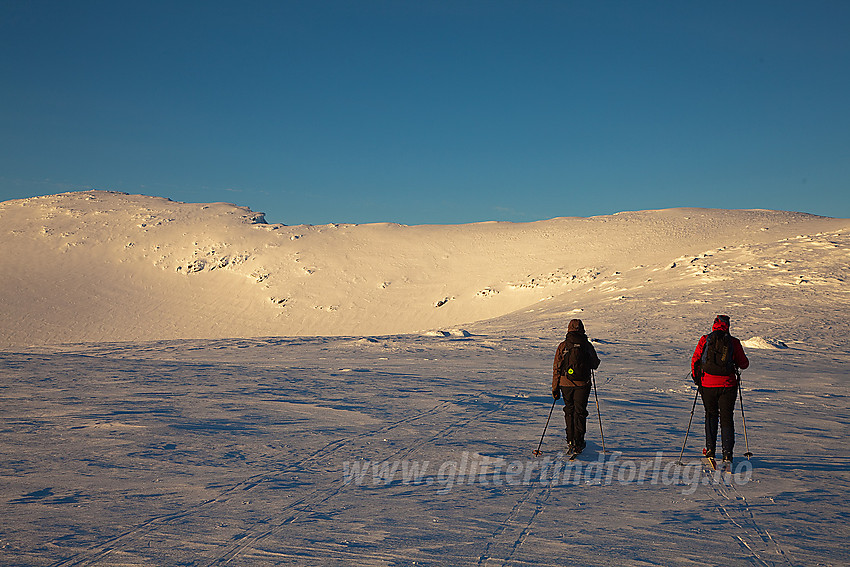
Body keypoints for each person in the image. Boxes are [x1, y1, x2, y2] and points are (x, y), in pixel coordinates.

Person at [691, 314, 749, 463]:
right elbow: (744, 364)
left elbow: (695, 359)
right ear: (728, 326)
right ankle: (727, 453)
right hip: (728, 385)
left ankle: (710, 450)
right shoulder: (733, 342)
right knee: (727, 418)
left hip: (707, 384)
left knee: (710, 415)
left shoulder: (705, 339)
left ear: (714, 325)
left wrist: (697, 378)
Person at [552, 319, 600, 455]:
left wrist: (555, 388)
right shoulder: (587, 345)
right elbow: (595, 364)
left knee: (569, 410)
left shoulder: (563, 346)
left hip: (565, 383)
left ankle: (570, 440)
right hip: (583, 384)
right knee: (580, 411)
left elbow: (556, 367)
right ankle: (579, 441)